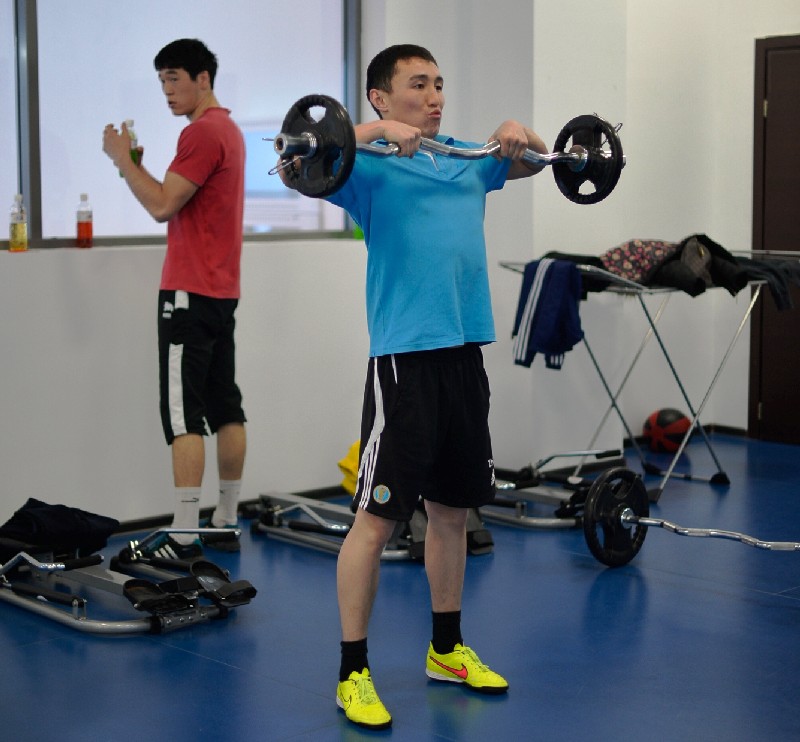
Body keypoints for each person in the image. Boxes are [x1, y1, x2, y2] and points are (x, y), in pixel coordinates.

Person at [280, 44, 548, 729]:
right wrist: (372, 133)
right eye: (418, 86)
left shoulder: (462, 158)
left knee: (452, 512)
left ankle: (447, 650)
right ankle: (353, 672)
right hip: (404, 362)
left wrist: (520, 131)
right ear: (380, 96)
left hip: (464, 355)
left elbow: (546, 160)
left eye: (438, 85)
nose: (434, 98)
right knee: (376, 521)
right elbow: (292, 162)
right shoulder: (365, 166)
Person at [102, 38, 247, 557]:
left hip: (189, 293)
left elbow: (162, 205)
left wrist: (123, 161)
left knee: (184, 415)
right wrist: (137, 166)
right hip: (220, 292)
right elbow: (182, 201)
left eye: (174, 78)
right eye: (161, 79)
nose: (166, 90)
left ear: (203, 79)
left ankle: (185, 533)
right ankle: (225, 518)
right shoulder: (227, 130)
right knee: (226, 406)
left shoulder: (202, 133)